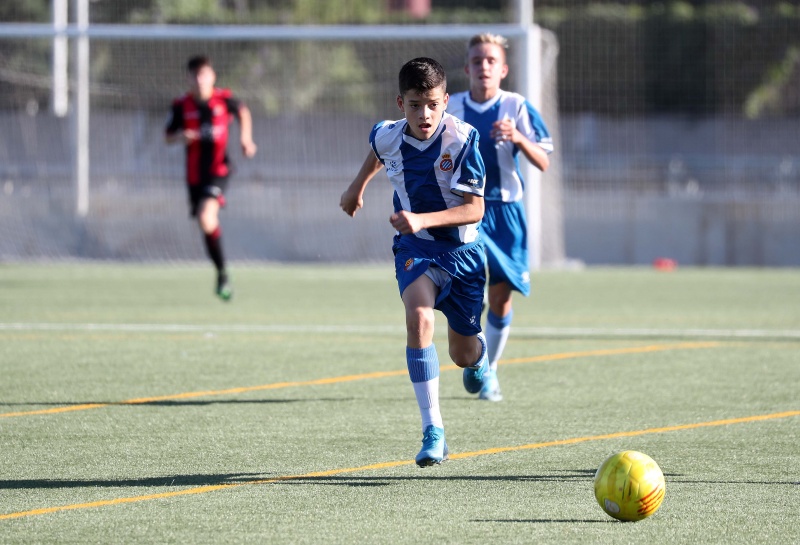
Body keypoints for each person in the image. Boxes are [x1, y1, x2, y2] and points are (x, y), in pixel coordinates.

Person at [340, 57, 490, 467]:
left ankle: (480, 355)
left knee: (461, 355)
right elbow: (377, 152)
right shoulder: (387, 134)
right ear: (399, 104)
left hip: (463, 255)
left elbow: (474, 209)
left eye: (432, 105)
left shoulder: (462, 140)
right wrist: (356, 188)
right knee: (419, 319)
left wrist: (422, 218)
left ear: (445, 101)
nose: (424, 115)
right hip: (415, 247)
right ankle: (433, 430)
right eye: (414, 105)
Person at [448, 33, 554, 402]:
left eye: (491, 60)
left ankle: (489, 370)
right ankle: (476, 357)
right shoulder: (451, 108)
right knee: (468, 292)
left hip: (506, 211)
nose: (484, 67)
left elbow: (543, 160)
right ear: (467, 69)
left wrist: (519, 138)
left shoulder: (516, 106)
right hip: (466, 211)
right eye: (477, 61)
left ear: (503, 69)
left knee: (500, 297)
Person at [165, 55, 257, 301]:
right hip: (194, 176)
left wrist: (245, 138)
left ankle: (222, 273)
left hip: (219, 171)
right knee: (205, 224)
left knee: (206, 217)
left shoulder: (223, 99)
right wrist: (181, 137)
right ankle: (222, 273)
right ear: (188, 78)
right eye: (195, 75)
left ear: (212, 76)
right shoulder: (181, 105)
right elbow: (167, 136)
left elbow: (243, 111)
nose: (200, 80)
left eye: (204, 74)